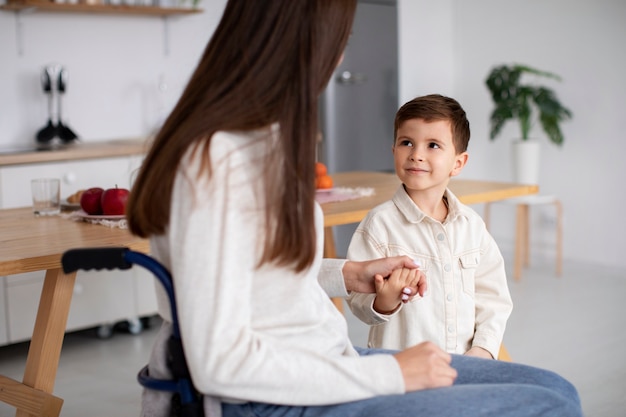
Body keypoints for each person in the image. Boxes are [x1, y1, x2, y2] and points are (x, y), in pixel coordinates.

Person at [127, 1, 583, 416]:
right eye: (338, 42)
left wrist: (345, 274)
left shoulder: (264, 144)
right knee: (548, 408)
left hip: (322, 362)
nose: (340, 59)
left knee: (560, 391)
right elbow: (220, 363)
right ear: (297, 41)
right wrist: (393, 374)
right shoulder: (214, 162)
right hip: (270, 396)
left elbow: (254, 274)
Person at [346, 94, 512, 360]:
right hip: (403, 372)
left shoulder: (472, 227)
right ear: (393, 151)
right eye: (406, 142)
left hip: (465, 367)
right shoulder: (379, 225)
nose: (416, 155)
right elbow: (356, 300)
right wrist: (384, 302)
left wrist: (483, 348)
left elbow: (493, 298)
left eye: (433, 145)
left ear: (458, 163)